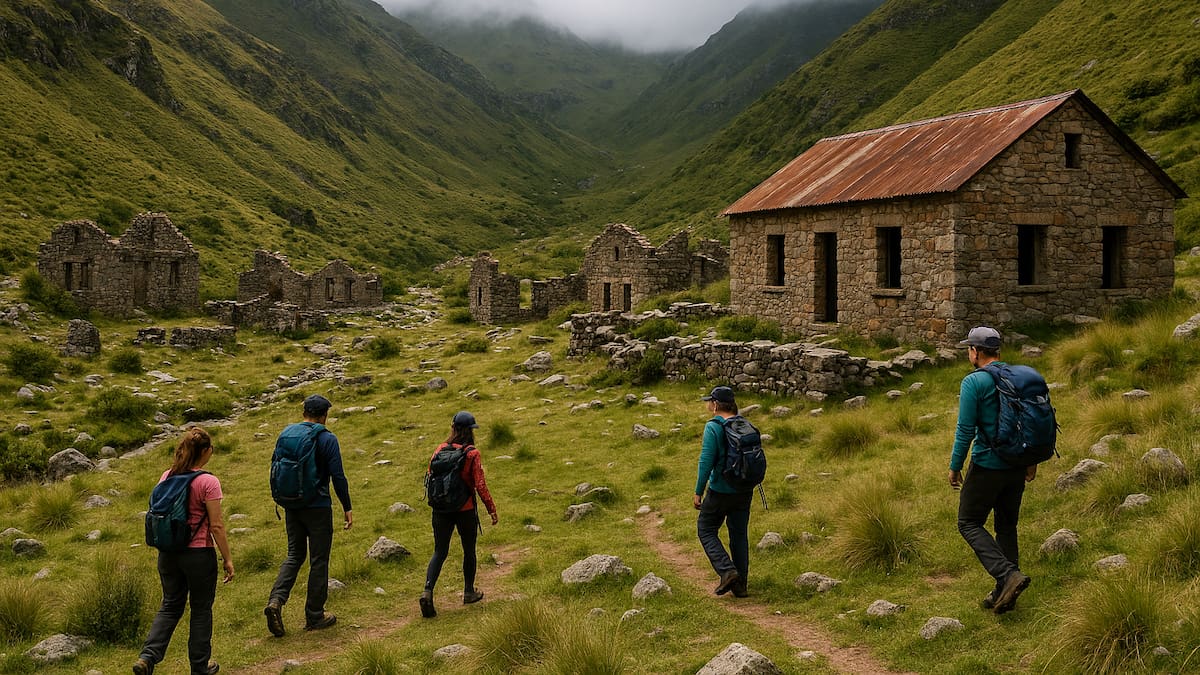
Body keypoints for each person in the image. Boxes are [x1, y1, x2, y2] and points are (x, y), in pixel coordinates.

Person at [134, 427, 234, 675]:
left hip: (168, 554)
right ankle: (200, 667)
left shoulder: (166, 476)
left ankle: (147, 657)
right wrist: (227, 559)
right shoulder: (208, 481)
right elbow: (217, 525)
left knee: (170, 605)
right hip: (198, 554)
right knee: (201, 609)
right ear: (205, 451)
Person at [949, 326, 1034, 614]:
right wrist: (1030, 461)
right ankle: (1005, 594)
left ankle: (1007, 576)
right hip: (1017, 464)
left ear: (975, 352)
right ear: (999, 351)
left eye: (968, 349)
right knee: (1007, 526)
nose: (968, 354)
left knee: (969, 522)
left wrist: (955, 466)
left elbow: (965, 429)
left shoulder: (974, 382)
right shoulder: (1020, 377)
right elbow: (1031, 422)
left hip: (987, 464)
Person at [264, 394, 353, 636]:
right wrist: (347, 506)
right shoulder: (326, 438)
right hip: (318, 506)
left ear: (304, 413)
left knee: (294, 554)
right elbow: (338, 476)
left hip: (292, 504)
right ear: (324, 415)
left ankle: (276, 601)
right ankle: (315, 614)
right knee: (318, 559)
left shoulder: (288, 433)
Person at [419, 411, 498, 619]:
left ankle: (427, 590)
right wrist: (491, 509)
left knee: (440, 551)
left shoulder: (439, 450)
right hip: (465, 509)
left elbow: (430, 474)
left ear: (453, 428)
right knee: (468, 550)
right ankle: (469, 592)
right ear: (471, 431)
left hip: (440, 510)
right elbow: (480, 484)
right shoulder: (472, 453)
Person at [694, 386, 753, 598]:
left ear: (716, 404)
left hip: (720, 490)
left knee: (706, 528)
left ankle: (727, 571)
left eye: (710, 401)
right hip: (745, 490)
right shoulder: (744, 425)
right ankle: (741, 586)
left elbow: (706, 462)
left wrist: (698, 491)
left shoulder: (713, 427)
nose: (708, 405)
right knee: (738, 534)